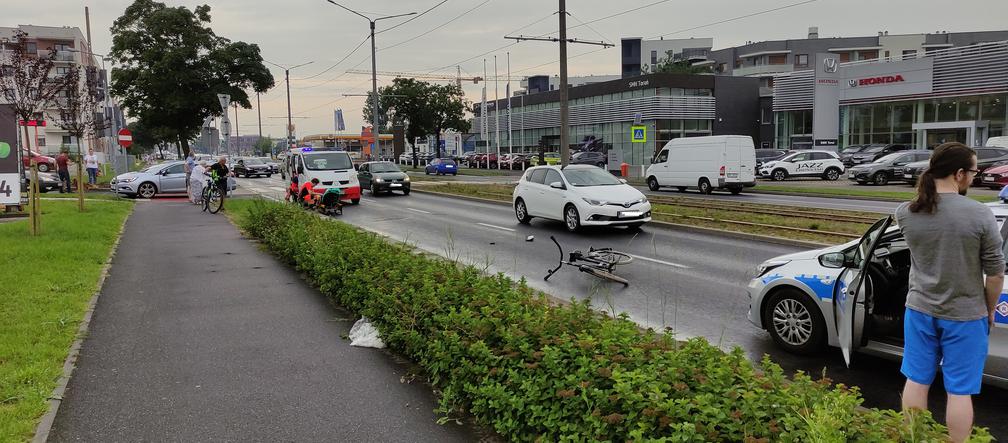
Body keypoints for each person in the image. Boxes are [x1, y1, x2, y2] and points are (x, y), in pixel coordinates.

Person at [896, 142, 1005, 443]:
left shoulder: (905, 212)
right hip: (965, 316)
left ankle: (914, 438)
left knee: (916, 381)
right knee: (959, 391)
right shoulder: (980, 214)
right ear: (959, 174)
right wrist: (990, 308)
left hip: (918, 310)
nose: (974, 176)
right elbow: (995, 273)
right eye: (973, 171)